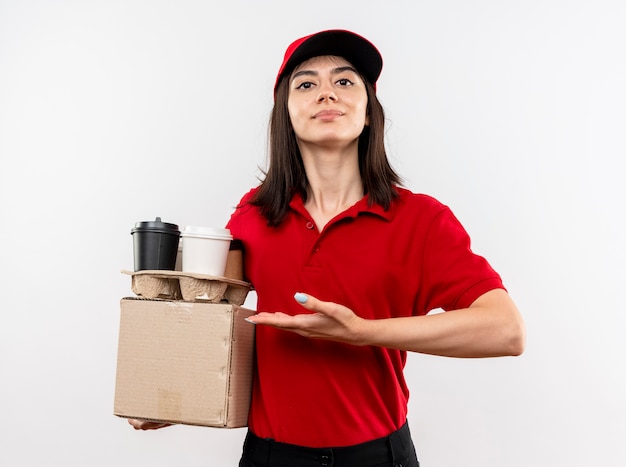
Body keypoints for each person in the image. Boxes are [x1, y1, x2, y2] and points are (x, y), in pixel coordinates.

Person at [129, 29, 525, 467]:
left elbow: (505, 331)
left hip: (379, 456)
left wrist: (363, 332)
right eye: (306, 84)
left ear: (369, 112)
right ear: (286, 114)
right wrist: (170, 390)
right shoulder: (252, 217)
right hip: (270, 456)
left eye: (344, 81)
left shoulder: (422, 219)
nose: (325, 94)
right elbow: (214, 321)